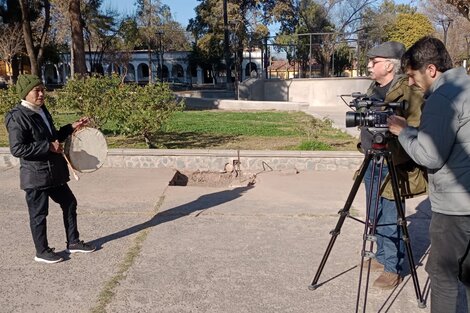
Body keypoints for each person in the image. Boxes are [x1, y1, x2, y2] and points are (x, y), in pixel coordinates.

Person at [388, 36, 470, 313]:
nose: (410, 83)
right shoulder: (466, 87)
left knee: (444, 276)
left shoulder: (442, 99)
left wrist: (403, 131)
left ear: (431, 70)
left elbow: (430, 156)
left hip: (455, 208)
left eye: (412, 75)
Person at [4, 74, 96, 264]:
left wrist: (72, 127)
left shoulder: (41, 110)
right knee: (39, 214)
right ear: (25, 94)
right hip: (35, 175)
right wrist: (48, 147)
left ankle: (73, 242)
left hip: (53, 172)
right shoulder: (17, 117)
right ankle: (42, 252)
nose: (41, 94)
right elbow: (17, 149)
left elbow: (53, 136)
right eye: (36, 90)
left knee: (69, 202)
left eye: (42, 89)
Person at [357, 41, 426, 289]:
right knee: (373, 212)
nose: (368, 65)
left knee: (390, 215)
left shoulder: (408, 92)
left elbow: (416, 129)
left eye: (373, 61)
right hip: (370, 158)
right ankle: (382, 255)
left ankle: (392, 268)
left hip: (392, 162)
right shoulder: (374, 87)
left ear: (388, 65)